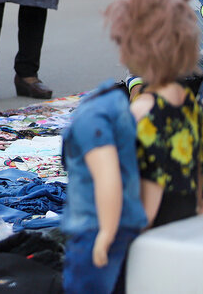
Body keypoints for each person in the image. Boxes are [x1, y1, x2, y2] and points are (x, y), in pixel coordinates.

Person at [107, 0, 203, 228]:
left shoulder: (141, 109)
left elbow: (150, 176)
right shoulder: (190, 102)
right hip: (189, 203)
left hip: (161, 212)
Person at [61, 79, 146, 294]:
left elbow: (108, 177)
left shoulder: (94, 120)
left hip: (99, 229)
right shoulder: (180, 103)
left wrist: (106, 232)